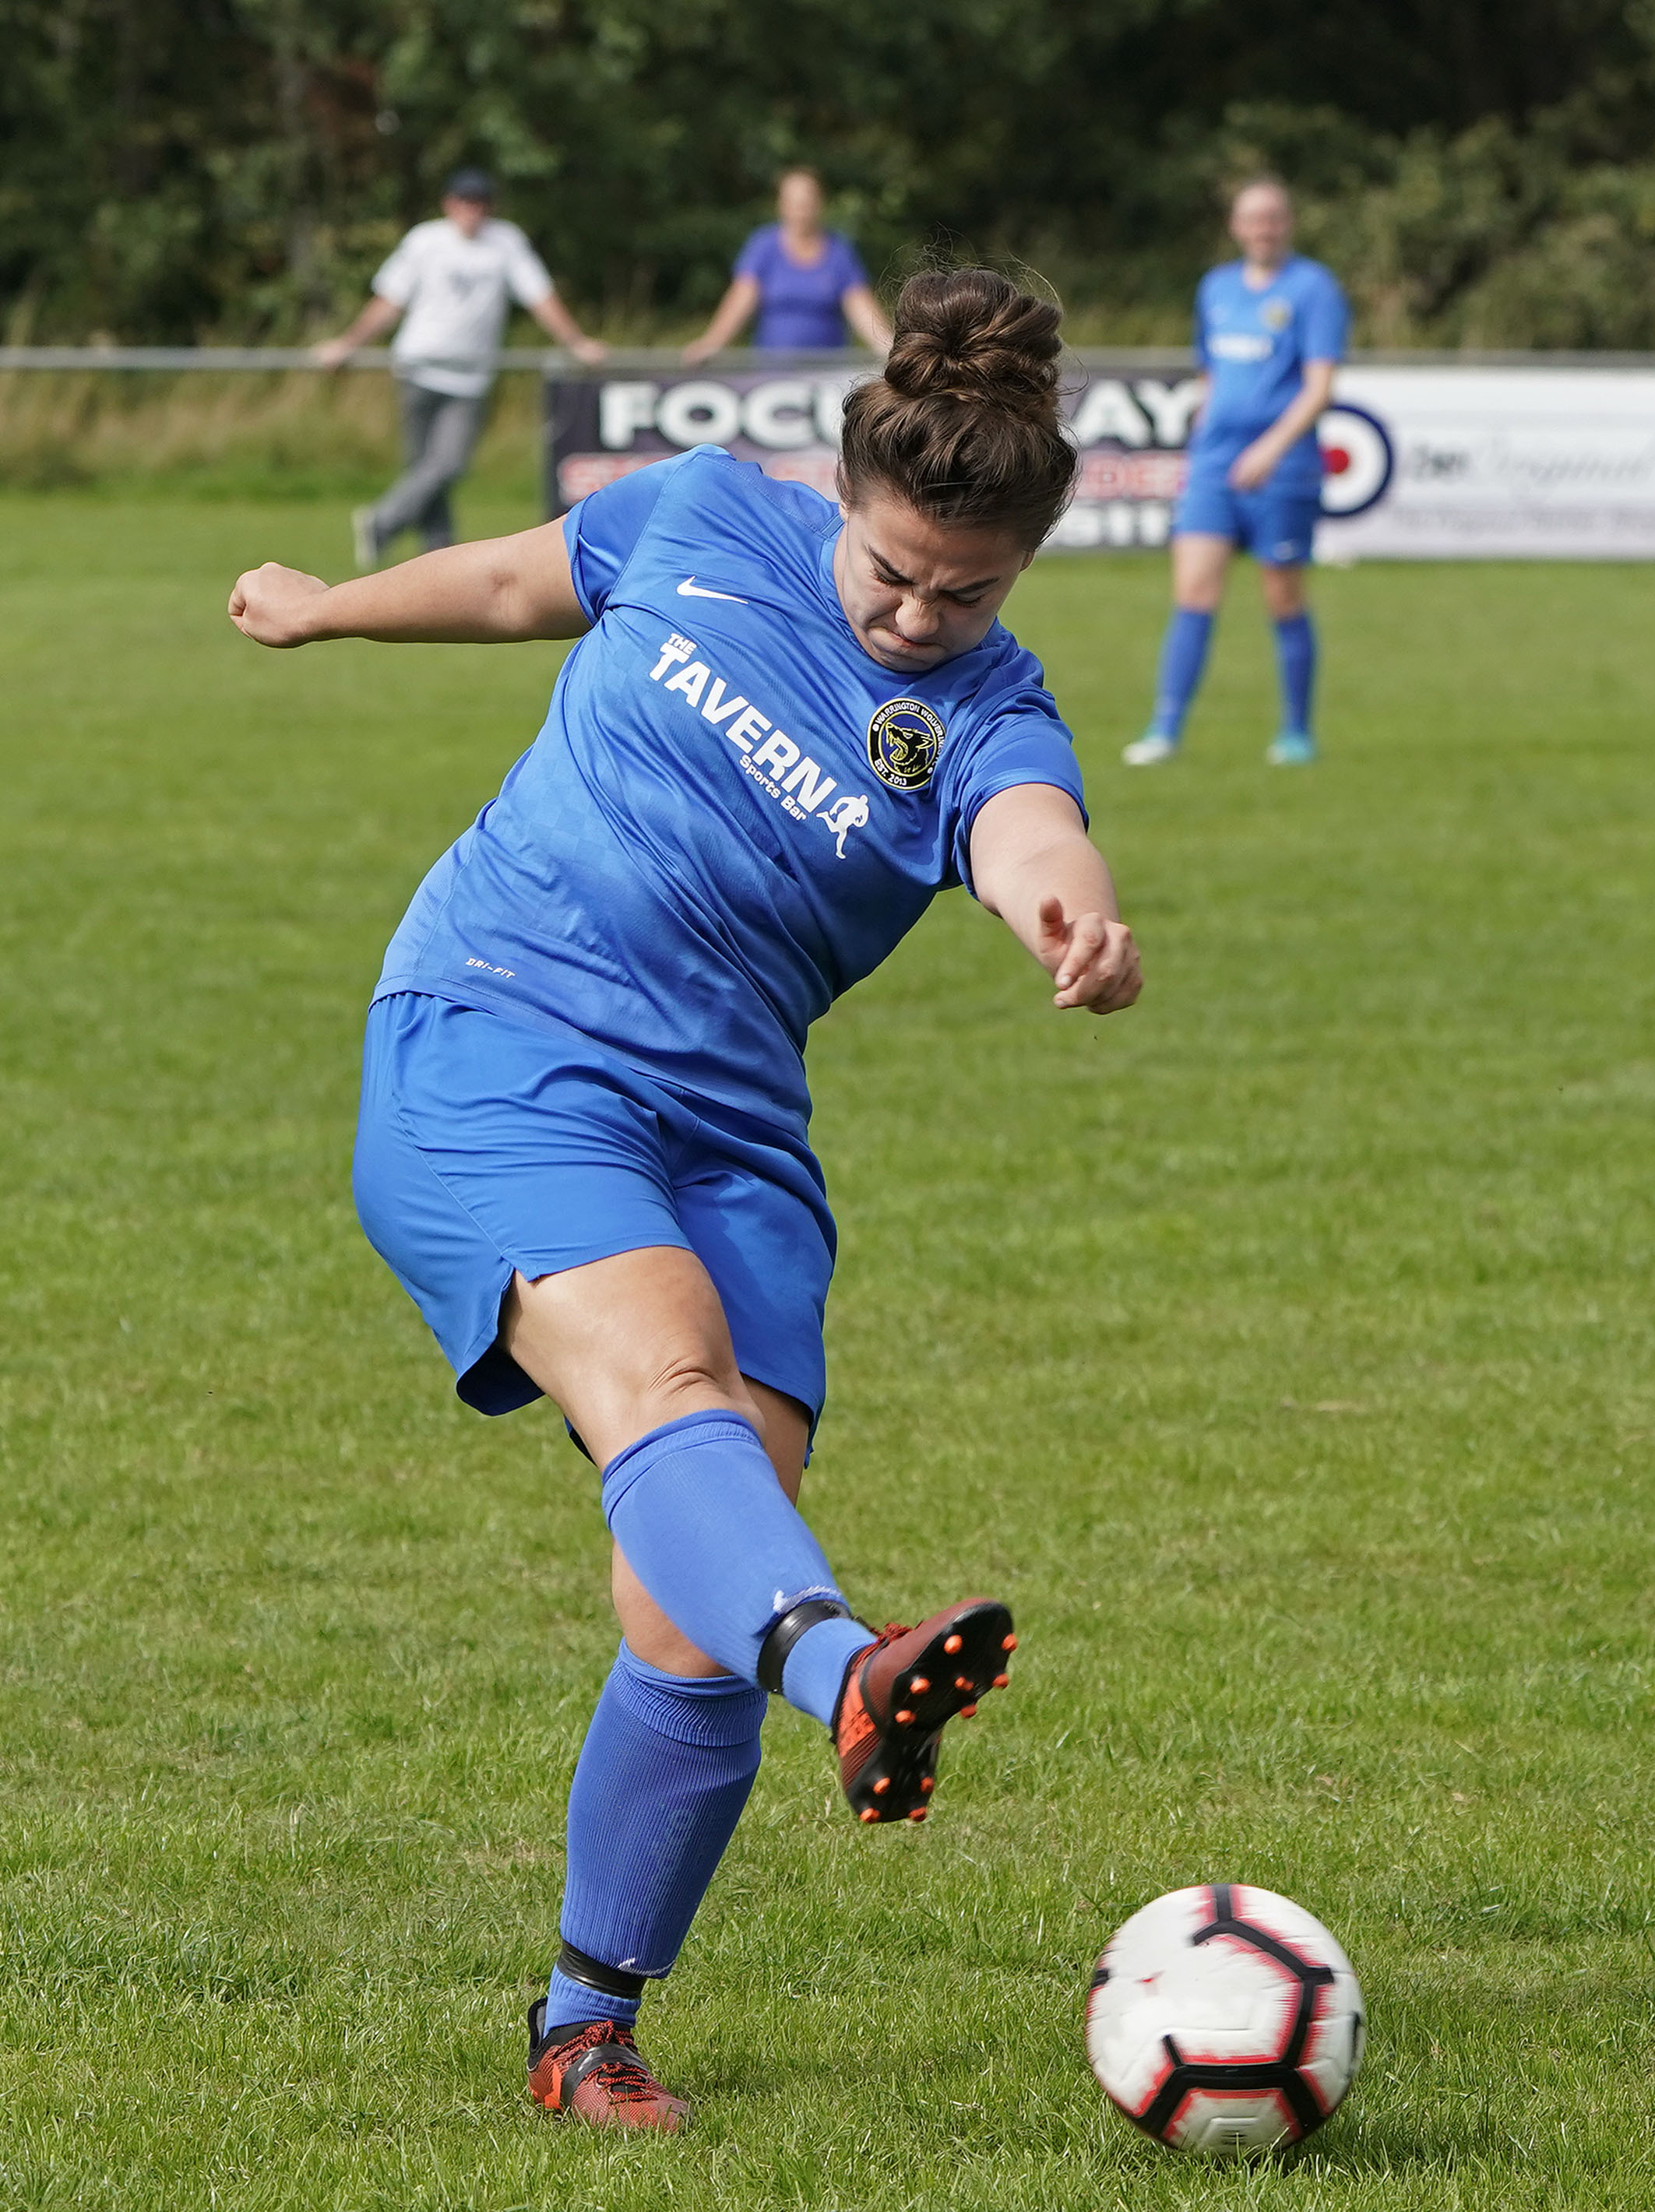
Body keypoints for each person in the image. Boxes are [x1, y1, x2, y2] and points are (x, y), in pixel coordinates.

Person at [229, 268, 1139, 2129]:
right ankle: (854, 1673)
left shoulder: (987, 710)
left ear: (1022, 570)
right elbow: (514, 582)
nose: (917, 615)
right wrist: (327, 606)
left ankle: (587, 2025)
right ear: (840, 490)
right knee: (667, 1386)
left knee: (698, 1586)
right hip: (499, 1027)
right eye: (894, 572)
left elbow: (1027, 825)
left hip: (730, 1129)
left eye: (965, 593)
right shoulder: (704, 512)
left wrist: (1069, 909)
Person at [1124, 176, 1348, 768]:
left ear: (1288, 223)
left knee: (1283, 597)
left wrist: (1270, 450)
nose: (1263, 229)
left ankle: (1296, 732)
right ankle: (1165, 730)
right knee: (1192, 591)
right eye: (1253, 218)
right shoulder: (1216, 288)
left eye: (1273, 217)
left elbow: (1320, 386)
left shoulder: (1314, 288)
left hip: (1283, 468)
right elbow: (1212, 372)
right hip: (1214, 466)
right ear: (1236, 226)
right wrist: (1205, 433)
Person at [315, 168, 607, 571]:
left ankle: (382, 521)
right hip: (418, 369)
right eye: (466, 201)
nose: (474, 210)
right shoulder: (424, 241)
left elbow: (539, 295)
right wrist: (348, 344)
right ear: (449, 204)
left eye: (481, 202)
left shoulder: (506, 242)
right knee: (424, 471)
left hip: (470, 378)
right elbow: (389, 301)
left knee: (447, 465)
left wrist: (575, 341)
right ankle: (438, 556)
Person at [681, 167, 892, 362]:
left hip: (827, 373)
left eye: (807, 202)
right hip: (772, 372)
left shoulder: (839, 251)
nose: (801, 209)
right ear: (780, 205)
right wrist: (712, 343)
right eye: (794, 202)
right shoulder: (763, 246)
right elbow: (741, 300)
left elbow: (860, 307)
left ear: (820, 203)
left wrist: (889, 349)